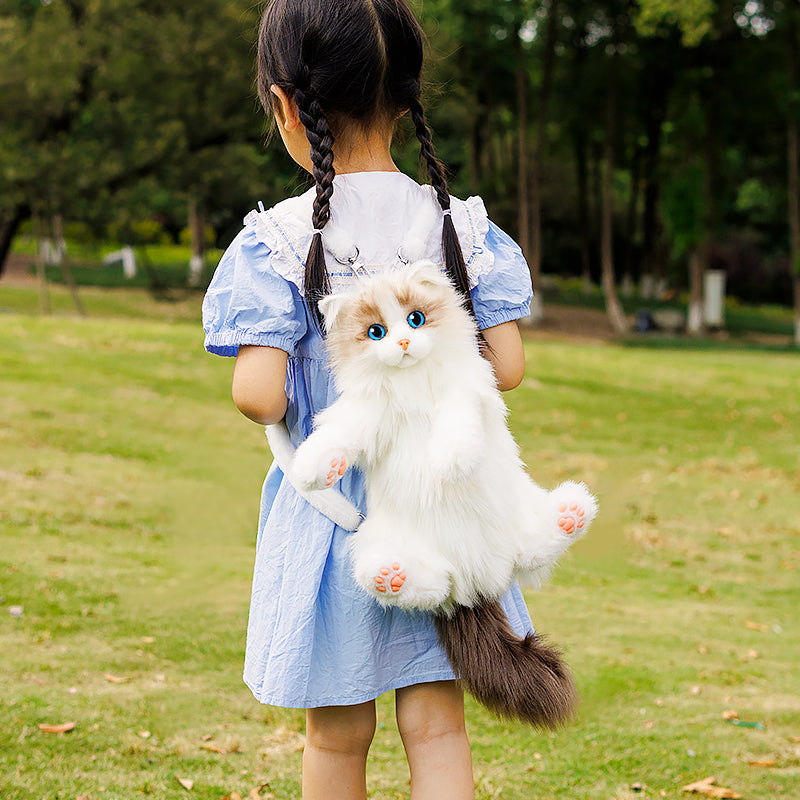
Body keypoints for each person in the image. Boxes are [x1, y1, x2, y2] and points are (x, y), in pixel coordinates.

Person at [202, 1, 535, 797]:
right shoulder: (460, 228)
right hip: (439, 504)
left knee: (338, 733)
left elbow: (259, 393)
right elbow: (509, 367)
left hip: (333, 524)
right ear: (409, 97)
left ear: (285, 106)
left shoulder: (278, 239)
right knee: (437, 722)